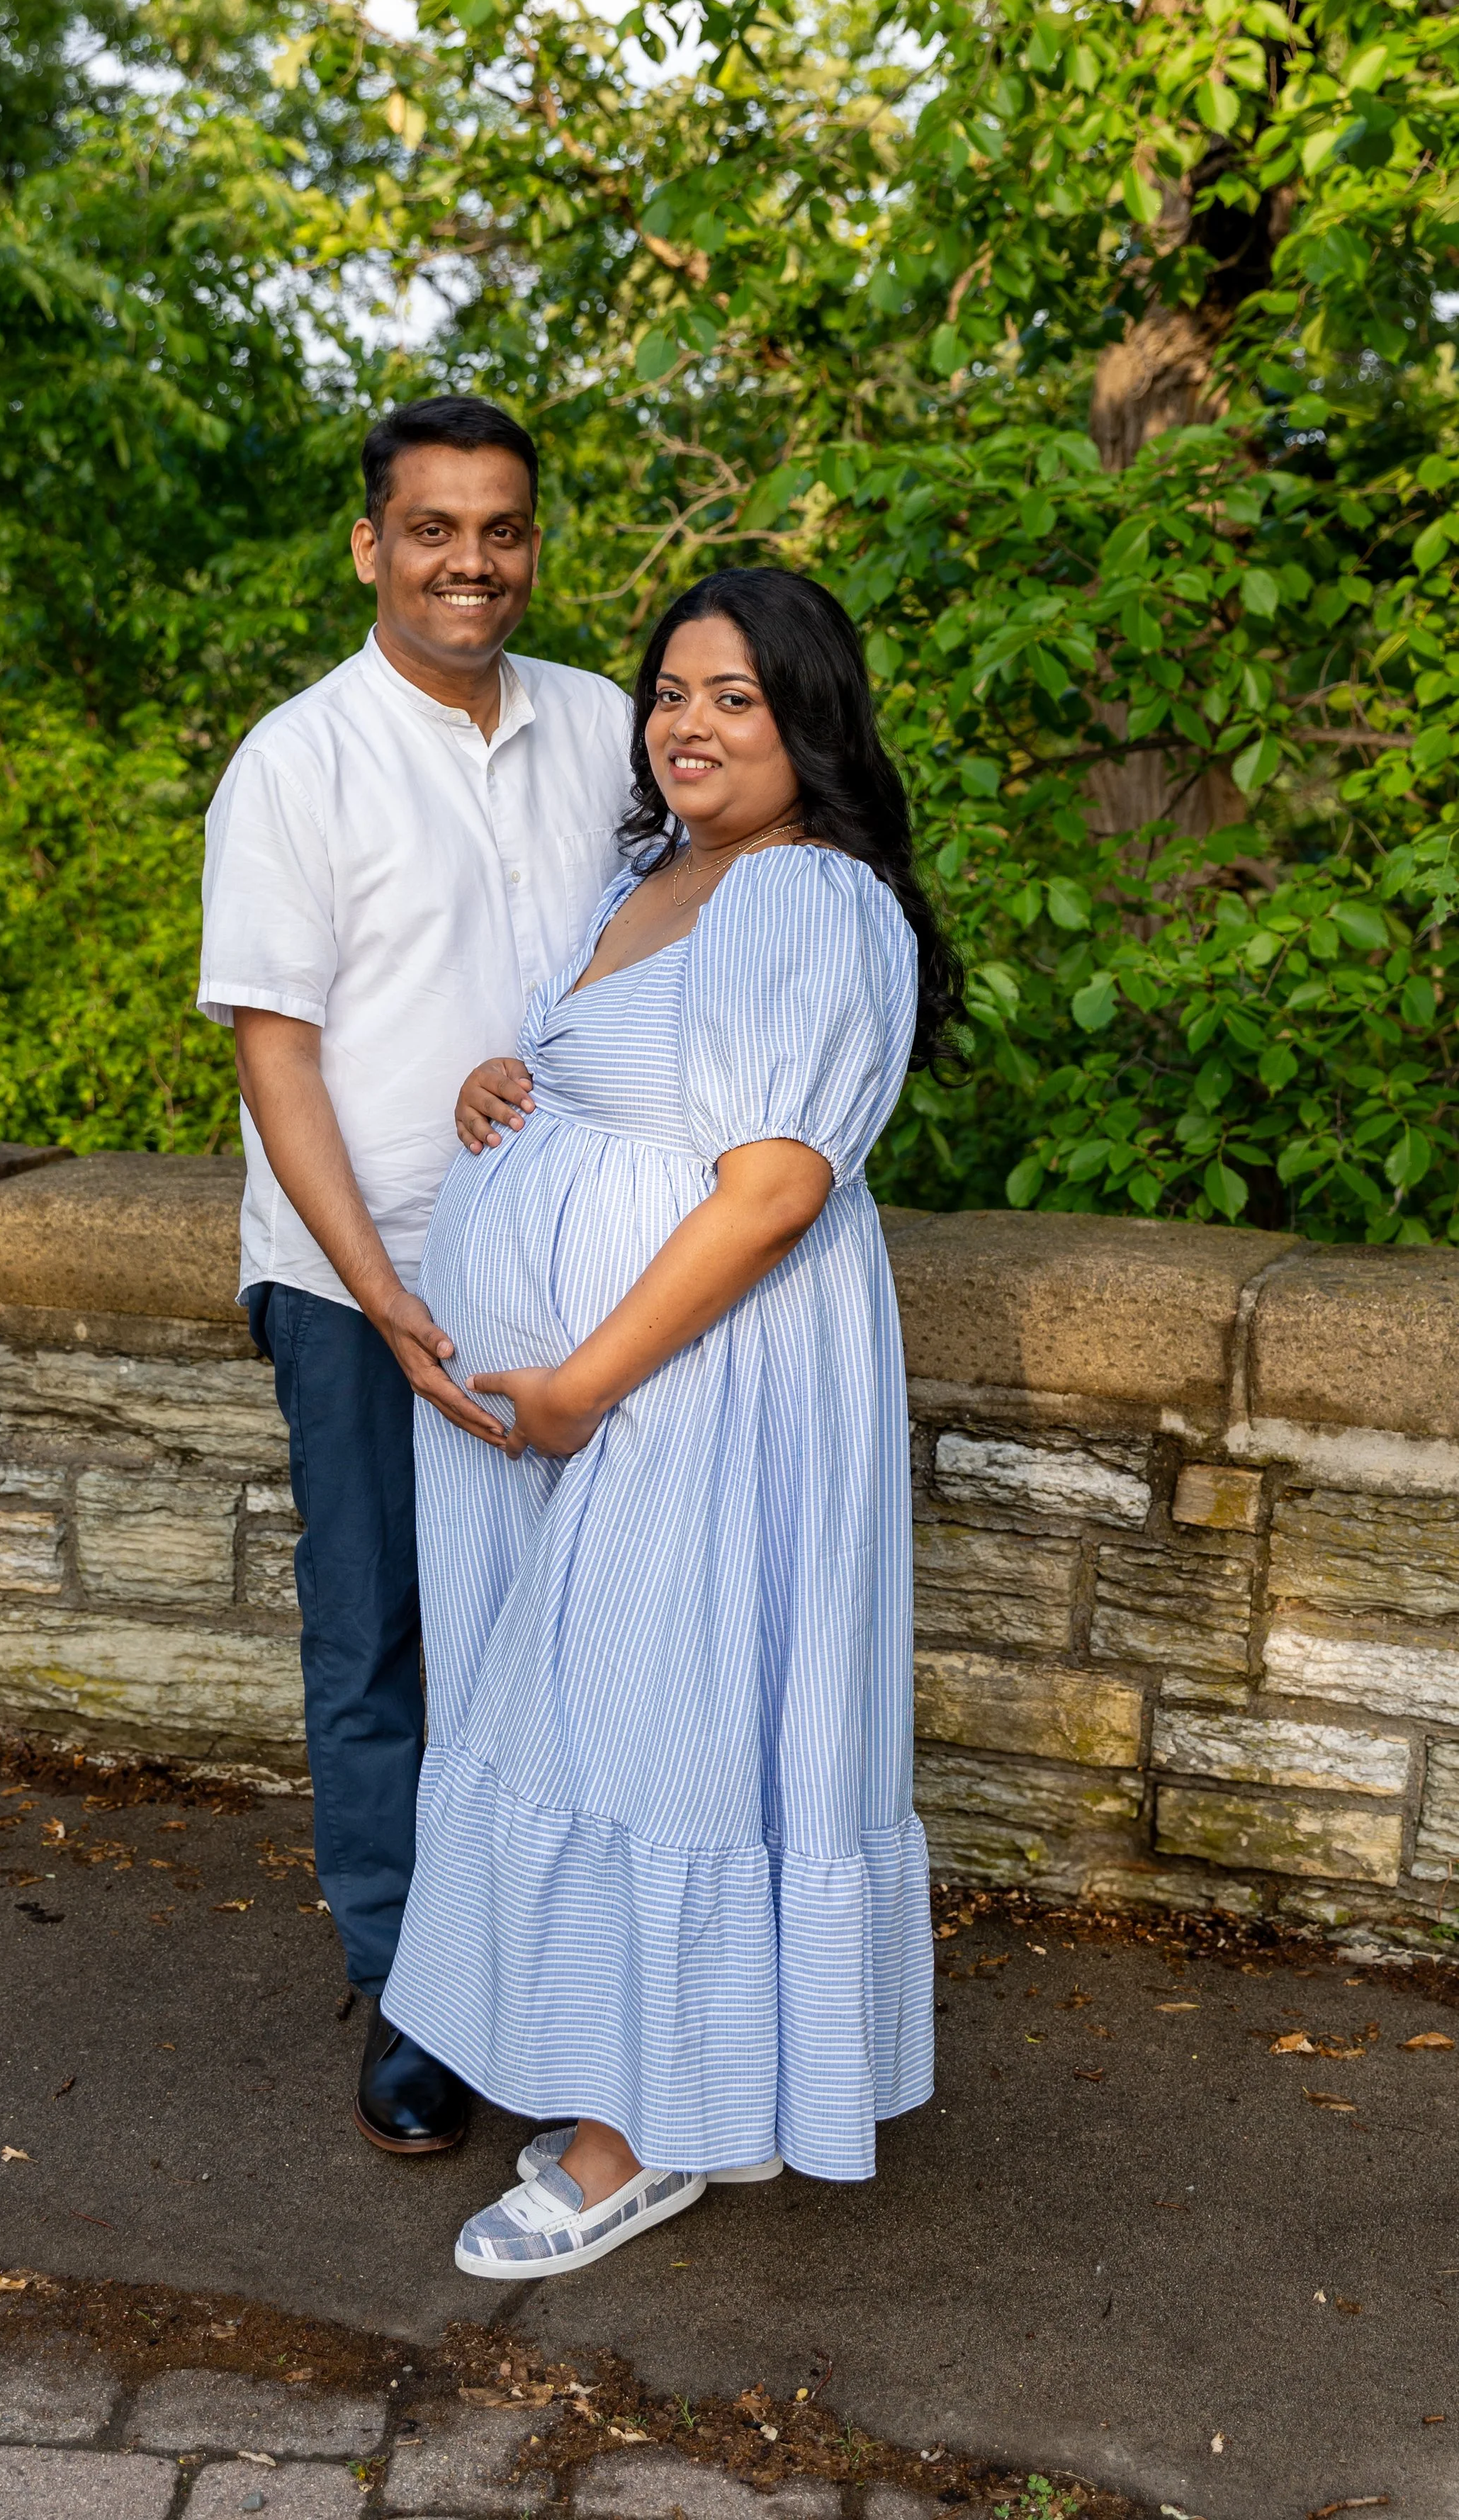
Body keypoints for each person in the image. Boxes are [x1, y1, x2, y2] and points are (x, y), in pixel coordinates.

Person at [380, 565, 964, 2276]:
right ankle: (641, 2067)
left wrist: (575, 1381)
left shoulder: (804, 897)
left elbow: (771, 1184)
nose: (690, 725)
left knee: (659, 1722)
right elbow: (630, 1072)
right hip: (595, 1401)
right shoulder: (659, 871)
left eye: (737, 699)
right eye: (670, 692)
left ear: (810, 726)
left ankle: (645, 2136)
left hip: (691, 1386)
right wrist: (519, 1076)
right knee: (570, 1711)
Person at [196, 395, 633, 2156]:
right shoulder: (294, 762)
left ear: (533, 543)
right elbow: (275, 1057)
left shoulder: (607, 725)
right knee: (377, 1638)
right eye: (434, 529)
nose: (473, 562)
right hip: (353, 1279)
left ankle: (567, 1964)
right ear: (369, 546)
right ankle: (412, 1997)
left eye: (503, 529)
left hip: (575, 1266)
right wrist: (381, 1300)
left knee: (562, 1641)